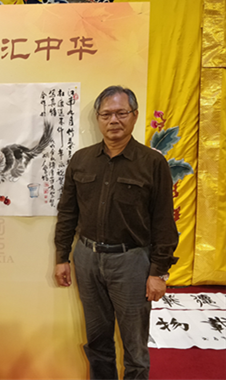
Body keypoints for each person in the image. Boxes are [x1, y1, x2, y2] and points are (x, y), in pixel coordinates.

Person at [54, 86, 179, 380]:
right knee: (98, 341)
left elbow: (164, 221)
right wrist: (62, 257)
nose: (114, 120)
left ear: (134, 116)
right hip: (87, 259)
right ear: (98, 118)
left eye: (121, 113)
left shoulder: (152, 163)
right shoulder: (81, 160)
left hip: (132, 262)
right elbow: (68, 213)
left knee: (135, 347)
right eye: (106, 114)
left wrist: (158, 272)